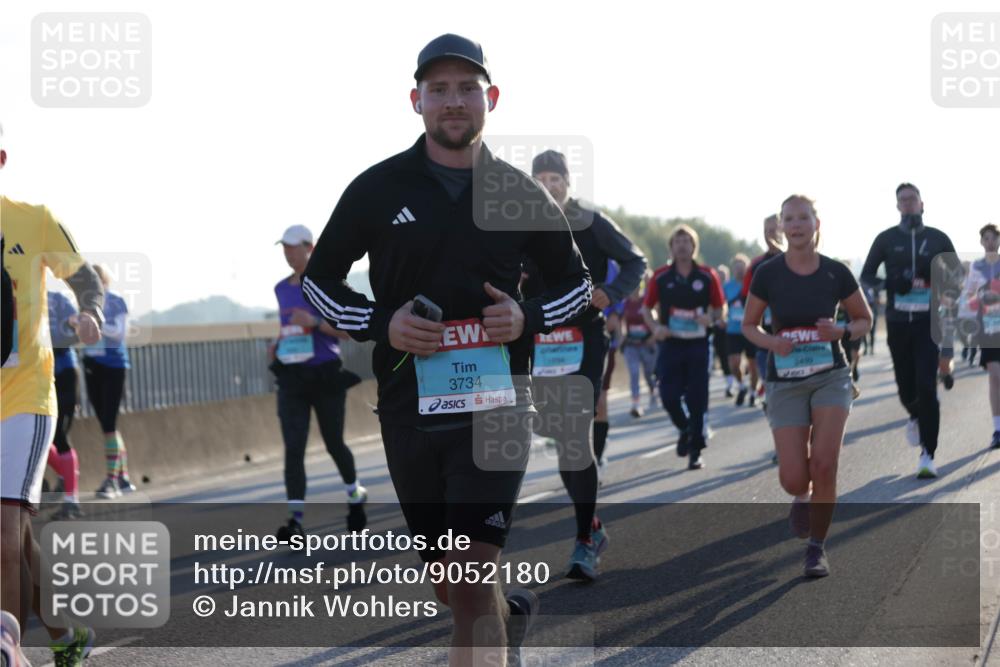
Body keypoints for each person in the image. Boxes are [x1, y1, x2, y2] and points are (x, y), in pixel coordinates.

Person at [301, 35, 592, 665]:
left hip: (499, 408)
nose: (453, 101)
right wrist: (384, 324)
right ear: (416, 101)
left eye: (466, 88)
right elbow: (318, 285)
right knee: (452, 584)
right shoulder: (376, 189)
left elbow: (578, 285)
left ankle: (489, 621)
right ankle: (506, 617)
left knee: (467, 580)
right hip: (409, 409)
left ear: (490, 98)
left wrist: (526, 317)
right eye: (439, 90)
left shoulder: (520, 192)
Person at [2, 126, 104, 664]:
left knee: (2, 536)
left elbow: (85, 278)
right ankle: (68, 636)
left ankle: (7, 648)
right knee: (15, 541)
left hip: (27, 397)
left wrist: (90, 311)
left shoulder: (32, 218)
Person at [526, 150, 645, 580]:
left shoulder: (591, 222)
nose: (548, 185)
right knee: (562, 437)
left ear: (568, 182)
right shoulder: (523, 226)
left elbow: (636, 261)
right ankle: (591, 526)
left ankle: (583, 539)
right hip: (543, 340)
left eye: (555, 177)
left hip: (586, 338)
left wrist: (611, 292)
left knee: (575, 430)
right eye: (540, 178)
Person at [742, 195, 872, 578]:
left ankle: (816, 548)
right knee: (794, 477)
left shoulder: (836, 272)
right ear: (781, 227)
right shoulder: (768, 273)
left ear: (817, 224)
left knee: (825, 463)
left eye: (803, 217)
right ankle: (801, 495)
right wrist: (772, 342)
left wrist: (843, 330)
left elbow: (863, 318)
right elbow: (750, 325)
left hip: (830, 375)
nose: (796, 225)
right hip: (785, 381)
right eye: (789, 219)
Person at [269, 224, 367, 540]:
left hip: (326, 373)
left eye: (293, 246)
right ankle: (295, 520)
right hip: (293, 376)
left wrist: (315, 323)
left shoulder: (326, 284)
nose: (287, 253)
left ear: (310, 248)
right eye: (284, 247)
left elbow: (350, 330)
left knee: (333, 443)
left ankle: (355, 495)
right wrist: (278, 343)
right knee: (293, 448)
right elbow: (288, 326)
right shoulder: (281, 288)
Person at [861, 183, 959, 479]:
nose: (907, 204)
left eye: (912, 199)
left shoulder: (938, 238)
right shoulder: (886, 239)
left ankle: (928, 454)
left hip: (930, 323)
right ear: (897, 206)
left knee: (927, 386)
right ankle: (915, 414)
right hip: (898, 322)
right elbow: (866, 276)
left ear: (922, 203)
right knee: (906, 388)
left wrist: (941, 285)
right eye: (902, 200)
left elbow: (958, 278)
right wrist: (889, 286)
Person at [642, 225, 726, 470]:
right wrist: (656, 327)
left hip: (699, 344)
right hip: (671, 344)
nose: (681, 245)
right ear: (671, 247)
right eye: (677, 242)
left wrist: (710, 318)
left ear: (694, 246)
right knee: (668, 396)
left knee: (697, 398)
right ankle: (686, 429)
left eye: (686, 241)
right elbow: (647, 308)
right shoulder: (660, 277)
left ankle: (696, 451)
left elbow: (721, 308)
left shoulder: (707, 275)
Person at [83, 265, 137, 499]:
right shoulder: (85, 303)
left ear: (104, 280)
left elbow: (121, 332)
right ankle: (123, 477)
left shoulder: (117, 301)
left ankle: (111, 480)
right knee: (107, 425)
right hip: (92, 364)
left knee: (108, 425)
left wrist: (97, 325)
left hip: (114, 366)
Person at [46, 290, 84, 519]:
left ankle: (71, 500)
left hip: (65, 372)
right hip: (36, 376)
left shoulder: (58, 299)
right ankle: (67, 477)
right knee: (42, 436)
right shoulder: (17, 297)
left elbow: (76, 331)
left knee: (60, 436)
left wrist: (69, 326)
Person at [962, 223, 1000, 449]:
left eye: (993, 238)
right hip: (987, 327)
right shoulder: (976, 267)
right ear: (981, 242)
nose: (989, 242)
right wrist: (981, 295)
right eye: (985, 238)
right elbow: (968, 296)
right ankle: (998, 429)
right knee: (995, 376)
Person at [742, 214, 785, 412]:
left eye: (775, 229)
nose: (772, 234)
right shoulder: (756, 265)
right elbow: (746, 299)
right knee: (770, 380)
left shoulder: (798, 260)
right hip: (765, 335)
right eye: (768, 231)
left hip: (794, 336)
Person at [724, 254, 759, 406]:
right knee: (734, 363)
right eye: (736, 267)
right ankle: (742, 386)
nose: (739, 270)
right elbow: (720, 304)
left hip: (751, 328)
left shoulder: (754, 284)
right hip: (733, 330)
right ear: (733, 269)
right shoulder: (727, 286)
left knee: (753, 365)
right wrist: (720, 318)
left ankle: (752, 392)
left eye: (742, 267)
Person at [622, 280, 658, 417]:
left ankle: (653, 389)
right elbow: (621, 322)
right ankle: (636, 404)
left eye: (636, 287)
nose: (634, 290)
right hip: (632, 345)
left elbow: (655, 319)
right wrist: (622, 337)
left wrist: (653, 337)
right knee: (634, 372)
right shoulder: (625, 303)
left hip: (647, 344)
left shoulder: (646, 301)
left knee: (649, 373)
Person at [713, 264, 733, 395]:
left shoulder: (731, 288)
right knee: (719, 354)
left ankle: (731, 383)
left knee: (728, 356)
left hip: (730, 328)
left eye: (723, 276)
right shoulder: (713, 289)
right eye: (718, 276)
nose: (721, 278)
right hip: (715, 327)